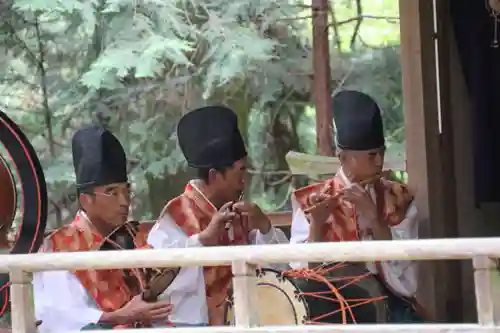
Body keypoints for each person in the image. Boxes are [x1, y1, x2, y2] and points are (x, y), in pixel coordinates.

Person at [289, 90, 425, 323]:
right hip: (330, 308)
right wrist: (318, 226)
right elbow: (304, 279)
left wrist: (374, 216)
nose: (380, 162)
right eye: (371, 156)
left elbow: (408, 282)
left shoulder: (398, 197)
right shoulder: (312, 200)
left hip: (389, 304)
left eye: (381, 153)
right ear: (343, 158)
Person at [147, 106, 289, 327]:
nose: (245, 180)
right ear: (214, 175)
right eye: (240, 171)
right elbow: (159, 288)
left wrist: (265, 228)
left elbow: (279, 273)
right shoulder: (175, 217)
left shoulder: (241, 212)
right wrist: (202, 241)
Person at [33, 126, 172, 332]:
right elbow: (58, 317)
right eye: (112, 192)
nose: (124, 201)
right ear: (85, 200)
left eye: (127, 190)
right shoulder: (60, 247)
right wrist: (118, 316)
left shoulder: (135, 236)